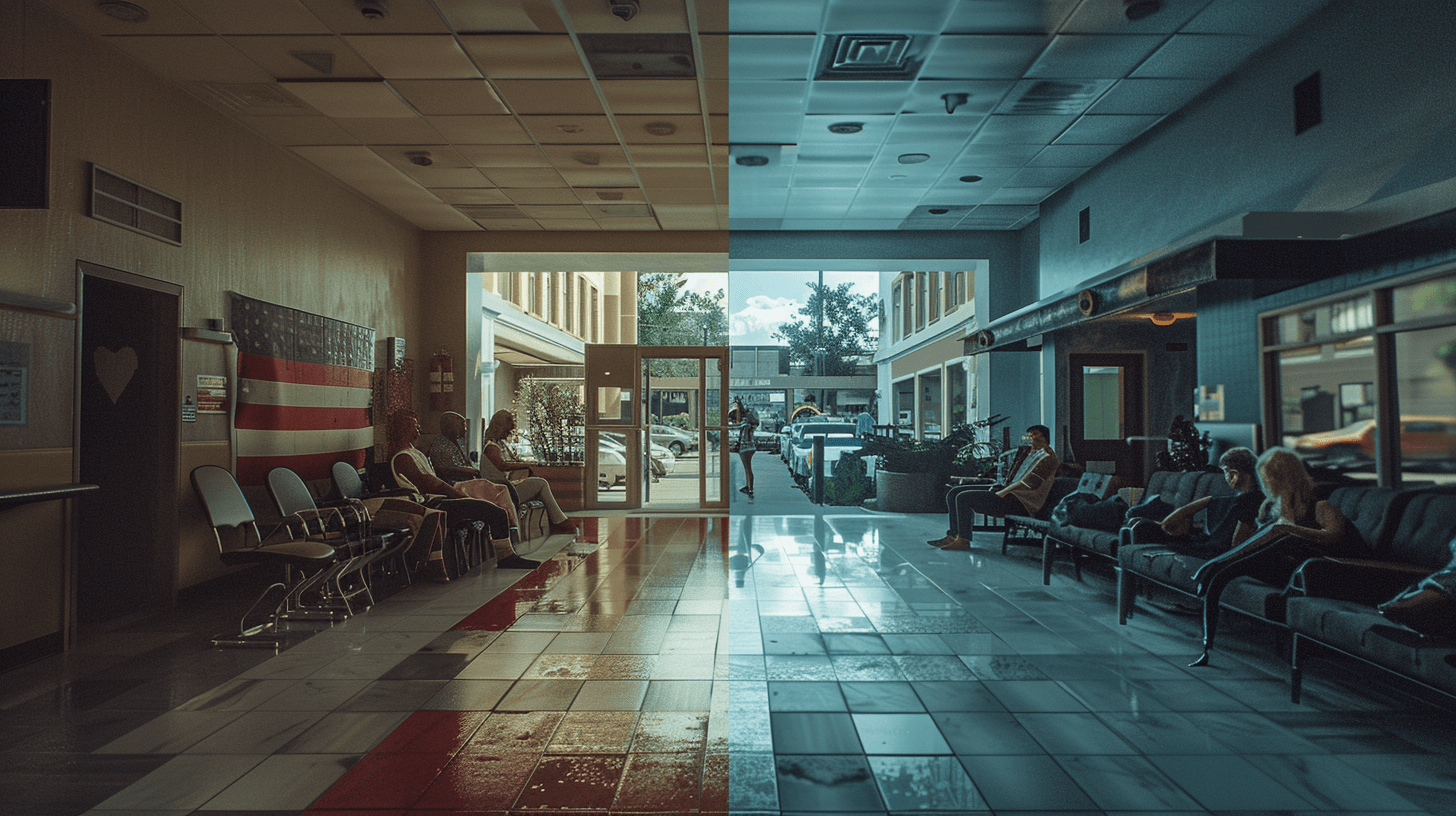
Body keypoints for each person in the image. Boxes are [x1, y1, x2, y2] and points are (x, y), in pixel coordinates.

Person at [1187, 447, 1350, 667]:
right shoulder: (1273, 507)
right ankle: (1207, 645)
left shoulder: (1320, 503)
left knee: (1279, 535)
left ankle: (1217, 566)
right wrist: (1282, 526)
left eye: (1269, 480)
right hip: (1288, 568)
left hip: (1319, 572)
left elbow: (1334, 534)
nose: (1266, 486)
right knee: (1224, 572)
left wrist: (1289, 529)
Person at [390, 412, 540, 571]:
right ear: (402, 430)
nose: (418, 429)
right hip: (433, 505)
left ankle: (507, 553)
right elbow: (430, 484)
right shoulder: (403, 457)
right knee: (496, 512)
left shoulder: (414, 452)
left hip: (441, 499)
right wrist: (460, 495)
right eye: (414, 426)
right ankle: (506, 558)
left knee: (498, 503)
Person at [930, 424, 1059, 551]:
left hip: (1021, 502)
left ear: (1045, 438)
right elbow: (1016, 477)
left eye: (1036, 434)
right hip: (1010, 493)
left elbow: (1028, 483)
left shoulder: (1047, 458)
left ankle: (963, 540)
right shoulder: (1031, 453)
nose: (1031, 437)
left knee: (963, 497)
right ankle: (954, 535)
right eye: (1030, 434)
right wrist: (1001, 487)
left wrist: (1002, 492)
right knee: (953, 492)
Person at [1127, 447, 1264, 559]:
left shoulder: (1247, 501)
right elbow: (1172, 521)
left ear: (1234, 474)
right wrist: (1205, 501)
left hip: (1213, 550)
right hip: (1205, 541)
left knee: (1143, 527)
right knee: (1142, 526)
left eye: (1225, 473)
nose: (1225, 478)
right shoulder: (1240, 499)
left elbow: (1237, 544)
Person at [477, 409, 579, 537]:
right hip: (500, 490)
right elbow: (502, 465)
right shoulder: (491, 447)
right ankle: (558, 521)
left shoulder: (497, 445)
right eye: (508, 430)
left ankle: (556, 520)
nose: (509, 433)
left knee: (539, 485)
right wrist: (527, 465)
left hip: (503, 487)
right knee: (541, 484)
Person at [728, 396, 759, 497]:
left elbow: (738, 423)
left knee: (747, 468)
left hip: (746, 448)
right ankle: (748, 486)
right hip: (750, 447)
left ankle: (750, 488)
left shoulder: (745, 422)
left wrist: (739, 404)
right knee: (748, 468)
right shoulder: (749, 423)